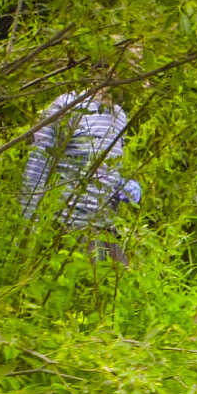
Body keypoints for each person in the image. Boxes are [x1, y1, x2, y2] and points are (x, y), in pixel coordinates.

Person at [19, 64, 143, 262]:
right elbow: (38, 163)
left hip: (105, 227)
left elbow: (104, 168)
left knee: (124, 285)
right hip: (68, 225)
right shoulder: (68, 105)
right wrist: (27, 225)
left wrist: (123, 185)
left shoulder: (119, 116)